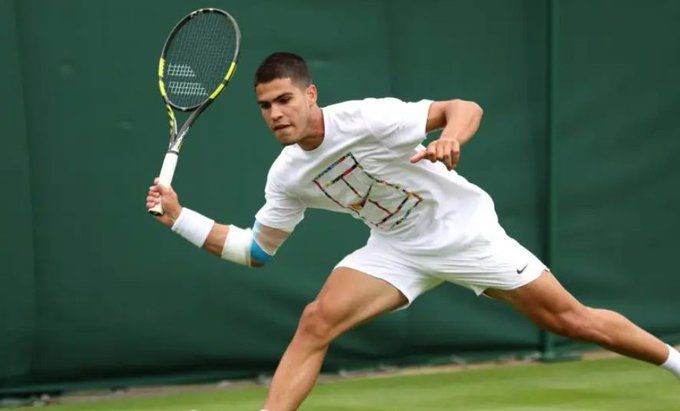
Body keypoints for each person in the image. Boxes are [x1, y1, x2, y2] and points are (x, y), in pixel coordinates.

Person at [146, 52, 680, 411]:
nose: (276, 113)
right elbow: (255, 250)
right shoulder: (287, 175)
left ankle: (676, 362)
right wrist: (180, 219)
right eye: (265, 106)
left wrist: (452, 137)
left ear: (312, 95)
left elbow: (463, 108)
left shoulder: (366, 118)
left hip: (462, 232)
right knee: (315, 322)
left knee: (570, 320)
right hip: (396, 249)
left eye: (285, 99)